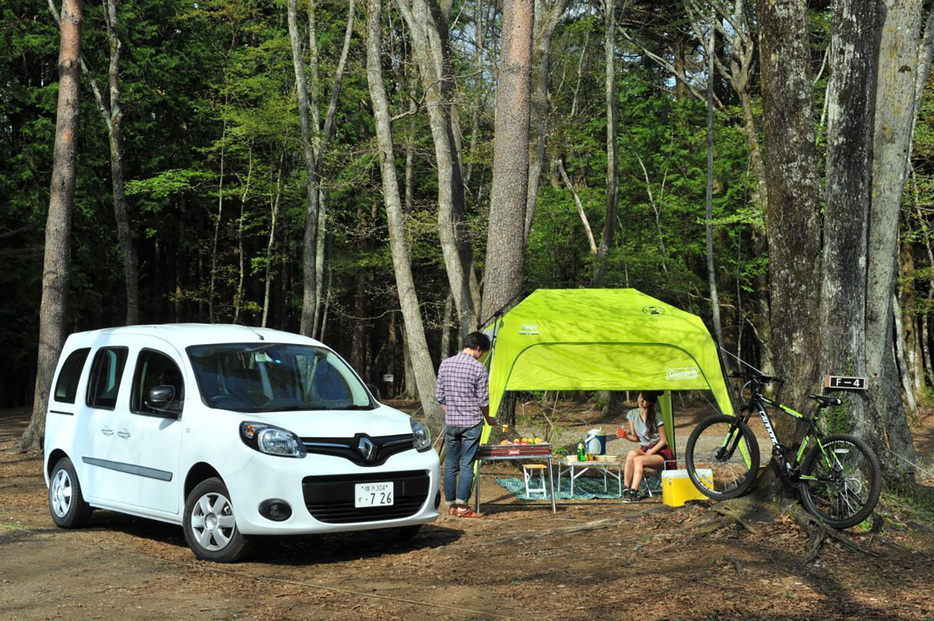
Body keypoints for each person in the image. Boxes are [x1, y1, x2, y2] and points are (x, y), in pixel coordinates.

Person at [435, 331, 493, 518]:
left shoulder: (445, 364)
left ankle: (450, 505)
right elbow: (483, 400)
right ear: (477, 348)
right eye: (482, 352)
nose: (481, 355)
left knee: (451, 463)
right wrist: (489, 418)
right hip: (472, 423)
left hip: (452, 422)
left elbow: (439, 397)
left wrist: (451, 411)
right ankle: (462, 507)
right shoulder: (479, 368)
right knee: (467, 464)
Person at [617, 391, 674, 502]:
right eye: (639, 397)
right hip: (644, 449)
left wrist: (649, 453)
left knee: (638, 460)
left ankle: (633, 492)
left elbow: (663, 441)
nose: (641, 401)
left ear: (651, 402)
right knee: (631, 454)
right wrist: (625, 436)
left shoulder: (657, 416)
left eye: (645, 399)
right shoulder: (632, 414)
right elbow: (636, 438)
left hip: (660, 451)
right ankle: (626, 489)